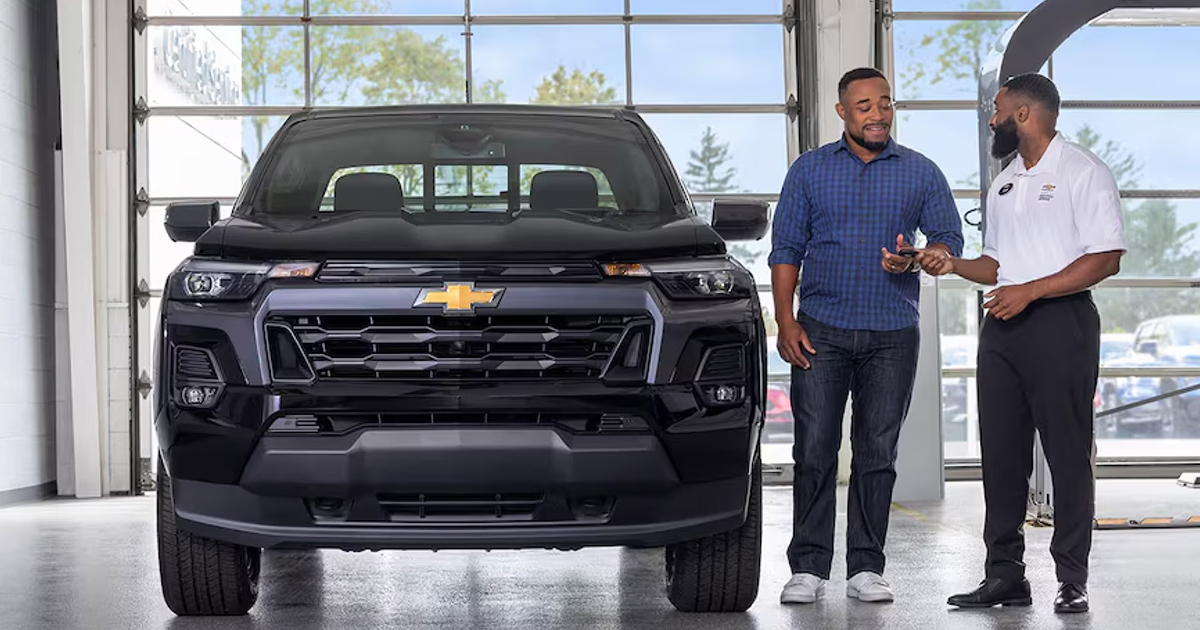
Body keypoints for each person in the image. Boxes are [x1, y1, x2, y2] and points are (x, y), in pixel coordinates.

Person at [921, 73, 1125, 614]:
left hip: (1061, 323)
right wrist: (950, 263)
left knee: (1067, 454)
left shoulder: (1083, 171)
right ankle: (1005, 576)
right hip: (1003, 327)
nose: (991, 119)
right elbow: (995, 265)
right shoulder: (1005, 182)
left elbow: (1106, 258)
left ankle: (1072, 578)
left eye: (997, 109)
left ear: (1024, 114)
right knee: (1001, 456)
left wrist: (1030, 291)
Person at [770, 67, 963, 605]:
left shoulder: (921, 172)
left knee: (877, 454)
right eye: (865, 106)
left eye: (885, 103)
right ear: (842, 112)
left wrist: (919, 258)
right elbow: (786, 248)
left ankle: (866, 568)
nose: (878, 114)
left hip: (893, 334)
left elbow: (947, 237)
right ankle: (808, 567)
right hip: (820, 331)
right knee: (814, 451)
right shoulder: (809, 171)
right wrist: (785, 320)